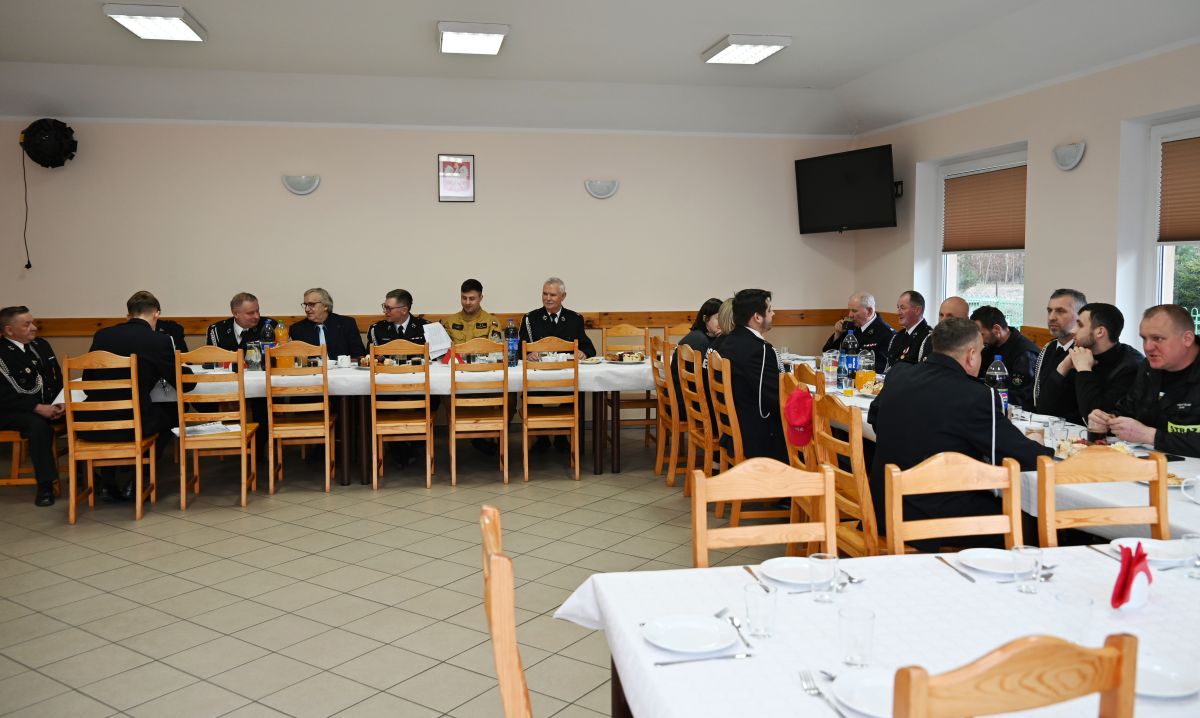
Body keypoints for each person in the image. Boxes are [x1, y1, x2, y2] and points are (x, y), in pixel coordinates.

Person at [867, 317, 1052, 549]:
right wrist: (1040, 446)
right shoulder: (976, 396)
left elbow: (875, 420)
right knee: (1023, 520)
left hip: (882, 507)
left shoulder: (899, 374)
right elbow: (1019, 455)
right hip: (931, 518)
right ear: (971, 355)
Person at [83, 291, 188, 501]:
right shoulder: (159, 340)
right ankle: (139, 479)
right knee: (171, 417)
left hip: (93, 424)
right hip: (134, 425)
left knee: (119, 411)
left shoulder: (102, 335)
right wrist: (187, 372)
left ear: (129, 314)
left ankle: (108, 483)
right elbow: (182, 381)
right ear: (156, 314)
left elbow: (88, 382)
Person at [1090, 304, 1200, 457]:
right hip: (1149, 462)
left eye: (1158, 338)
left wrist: (1150, 436)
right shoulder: (1148, 368)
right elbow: (1128, 409)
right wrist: (1108, 419)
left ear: (1187, 339)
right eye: (1144, 338)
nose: (1148, 347)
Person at [0, 306, 63, 506]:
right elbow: (4, 394)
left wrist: (61, 401)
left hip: (50, 406)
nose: (34, 327)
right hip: (13, 411)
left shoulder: (41, 345)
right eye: (27, 324)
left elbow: (56, 377)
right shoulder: (2, 353)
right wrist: (38, 407)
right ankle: (45, 486)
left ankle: (89, 475)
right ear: (9, 330)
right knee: (38, 426)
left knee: (86, 415)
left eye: (32, 322)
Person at [1039, 302, 1141, 424]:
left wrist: (1084, 370)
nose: (1073, 330)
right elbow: (1043, 409)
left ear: (1100, 332)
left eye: (1080, 325)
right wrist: (1063, 367)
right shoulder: (1080, 351)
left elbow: (1097, 422)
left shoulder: (1130, 367)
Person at [718, 289, 787, 463]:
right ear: (757, 317)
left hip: (736, 425)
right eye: (770, 310)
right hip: (758, 436)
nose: (773, 313)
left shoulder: (729, 341)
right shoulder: (759, 350)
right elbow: (778, 397)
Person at [1032, 289, 1087, 418]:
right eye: (1049, 311)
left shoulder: (1084, 352)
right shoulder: (1048, 348)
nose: (1051, 317)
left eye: (1060, 311)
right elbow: (1038, 395)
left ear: (1080, 317)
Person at [970, 305, 1038, 408]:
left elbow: (1022, 397)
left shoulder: (1025, 354)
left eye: (982, 334)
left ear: (996, 329)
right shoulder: (990, 346)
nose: (979, 340)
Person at [518, 277, 596, 359]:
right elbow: (519, 349)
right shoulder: (530, 318)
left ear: (563, 296)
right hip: (539, 366)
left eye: (553, 295)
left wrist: (583, 353)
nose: (548, 298)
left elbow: (589, 348)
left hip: (567, 366)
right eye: (545, 294)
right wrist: (527, 355)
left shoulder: (575, 319)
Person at [673, 298, 723, 417]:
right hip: (689, 407)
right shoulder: (701, 342)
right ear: (705, 318)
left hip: (681, 401)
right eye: (718, 319)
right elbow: (711, 379)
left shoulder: (696, 336)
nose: (722, 323)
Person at [822, 291, 895, 371]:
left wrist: (849, 363)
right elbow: (827, 354)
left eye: (854, 311)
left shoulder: (887, 334)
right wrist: (837, 334)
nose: (850, 315)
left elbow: (881, 368)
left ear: (869, 311)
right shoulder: (851, 326)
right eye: (849, 310)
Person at [290, 288, 365, 360]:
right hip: (313, 368)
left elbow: (359, 354)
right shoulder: (297, 329)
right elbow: (296, 359)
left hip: (342, 368)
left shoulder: (347, 324)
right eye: (305, 305)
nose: (307, 309)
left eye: (311, 304)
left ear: (325, 306)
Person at [206, 292, 279, 350]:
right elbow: (211, 360)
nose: (257, 316)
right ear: (235, 314)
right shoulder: (217, 331)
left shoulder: (269, 326)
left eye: (257, 311)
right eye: (251, 313)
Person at [443, 279, 501, 344]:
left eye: (472, 299)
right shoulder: (450, 322)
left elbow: (495, 348)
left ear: (480, 298)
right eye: (464, 298)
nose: (467, 302)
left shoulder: (491, 322)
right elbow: (443, 347)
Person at [886, 290, 932, 365]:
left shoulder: (928, 338)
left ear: (917, 310)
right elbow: (889, 367)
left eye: (902, 308)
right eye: (898, 307)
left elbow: (924, 370)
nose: (897, 313)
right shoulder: (897, 337)